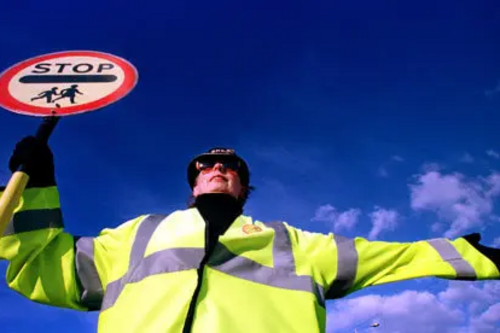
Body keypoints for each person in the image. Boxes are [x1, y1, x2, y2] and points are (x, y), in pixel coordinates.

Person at [1, 136, 499, 333]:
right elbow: (44, 266)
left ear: (243, 185)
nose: (218, 167)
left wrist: (470, 255)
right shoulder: (138, 234)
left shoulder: (297, 244)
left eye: (230, 165)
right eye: (206, 164)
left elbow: (393, 256)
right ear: (194, 182)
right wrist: (36, 188)